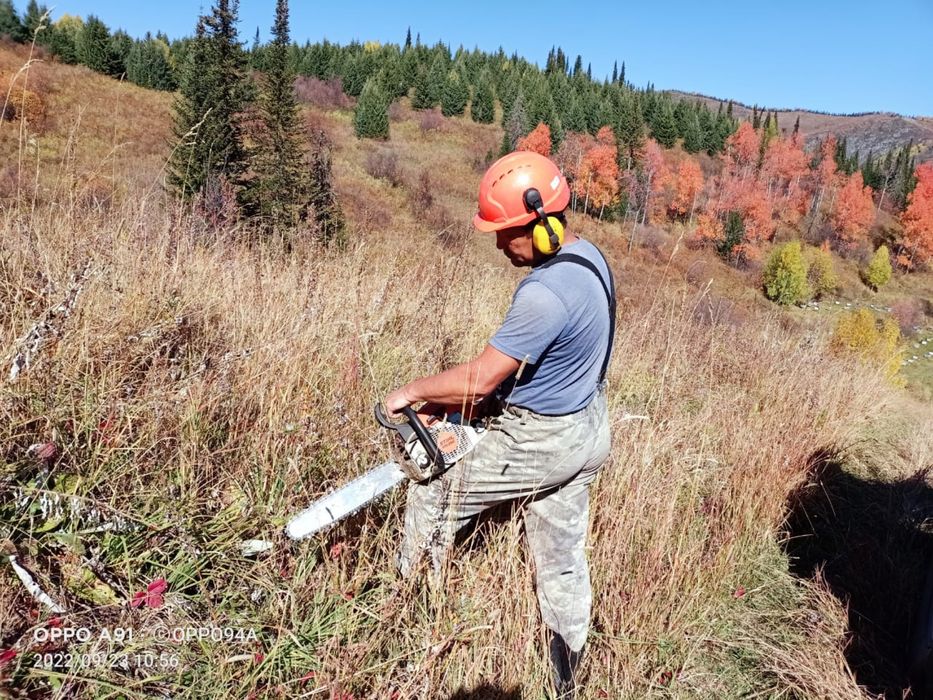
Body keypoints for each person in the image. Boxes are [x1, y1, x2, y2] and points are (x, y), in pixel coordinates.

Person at [384, 150, 614, 698]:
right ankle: (568, 670)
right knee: (561, 555)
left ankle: (406, 619)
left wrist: (412, 393)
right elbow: (555, 361)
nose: (496, 242)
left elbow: (482, 379)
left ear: (539, 222)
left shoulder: (543, 293)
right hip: (587, 427)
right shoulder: (589, 259)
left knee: (434, 494)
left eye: (505, 231)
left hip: (543, 437)